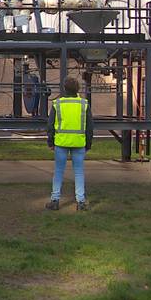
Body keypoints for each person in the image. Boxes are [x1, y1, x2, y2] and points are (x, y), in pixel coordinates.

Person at [46, 77, 94, 211]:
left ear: (64, 88)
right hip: (79, 143)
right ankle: (80, 202)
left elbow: (50, 125)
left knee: (58, 172)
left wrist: (50, 142)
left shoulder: (57, 104)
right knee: (79, 172)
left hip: (61, 142)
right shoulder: (84, 104)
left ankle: (55, 200)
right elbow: (90, 127)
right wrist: (88, 144)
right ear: (77, 89)